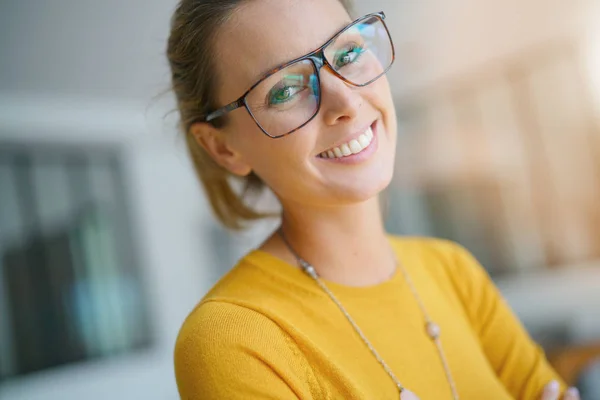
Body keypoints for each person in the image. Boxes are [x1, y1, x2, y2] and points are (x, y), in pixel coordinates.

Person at [166, 0, 581, 398]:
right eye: (284, 90)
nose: (346, 101)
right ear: (224, 149)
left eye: (347, 54)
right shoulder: (232, 340)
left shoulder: (453, 272)